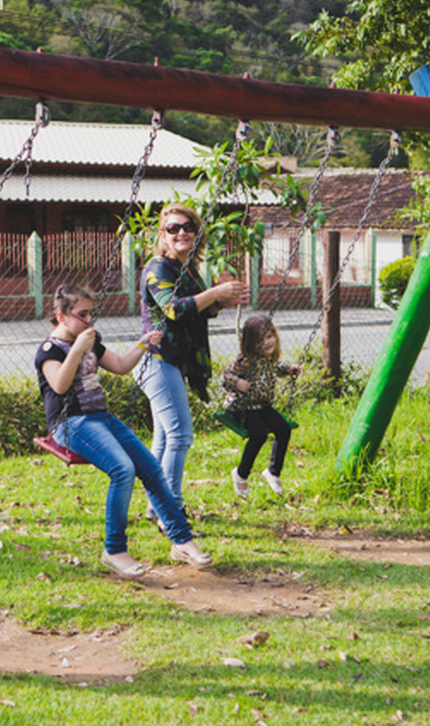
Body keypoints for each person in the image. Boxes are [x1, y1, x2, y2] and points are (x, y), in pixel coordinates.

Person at [35, 284, 212, 577]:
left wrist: (143, 344)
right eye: (82, 314)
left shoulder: (90, 341)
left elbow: (119, 366)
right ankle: (115, 550)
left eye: (91, 313)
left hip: (101, 418)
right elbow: (60, 385)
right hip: (70, 425)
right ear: (61, 316)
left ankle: (181, 541)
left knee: (151, 469)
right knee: (122, 470)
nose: (89, 320)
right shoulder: (49, 350)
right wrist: (77, 350)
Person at [137, 202, 249, 523]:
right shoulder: (158, 268)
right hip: (158, 361)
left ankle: (154, 508)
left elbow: (200, 310)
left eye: (187, 227)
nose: (181, 233)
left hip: (175, 361)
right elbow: (174, 309)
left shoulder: (190, 269)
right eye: (173, 228)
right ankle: (170, 509)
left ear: (196, 233)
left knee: (163, 439)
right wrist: (214, 293)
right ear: (163, 234)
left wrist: (222, 301)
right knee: (181, 436)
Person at [220, 315, 302, 497]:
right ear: (250, 343)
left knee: (283, 428)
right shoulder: (245, 361)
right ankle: (241, 474)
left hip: (261, 405)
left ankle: (273, 472)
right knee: (258, 435)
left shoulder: (269, 360)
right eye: (261, 340)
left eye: (270, 336)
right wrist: (238, 383)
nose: (267, 342)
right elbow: (225, 376)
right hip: (241, 407)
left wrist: (289, 369)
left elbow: (276, 368)